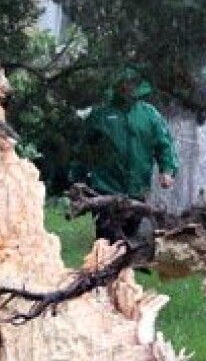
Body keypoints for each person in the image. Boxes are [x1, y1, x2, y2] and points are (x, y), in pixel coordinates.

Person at [76, 68, 180, 249]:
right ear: (116, 87)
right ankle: (102, 272)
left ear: (138, 87)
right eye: (123, 84)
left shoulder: (149, 115)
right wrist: (79, 179)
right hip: (106, 189)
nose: (127, 88)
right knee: (106, 243)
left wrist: (167, 170)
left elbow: (164, 144)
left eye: (131, 84)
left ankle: (124, 274)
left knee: (128, 242)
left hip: (137, 190)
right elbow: (83, 149)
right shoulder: (100, 115)